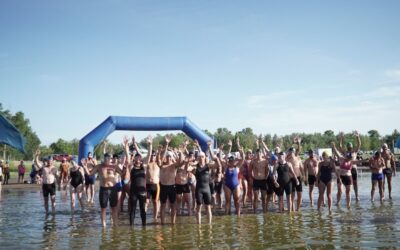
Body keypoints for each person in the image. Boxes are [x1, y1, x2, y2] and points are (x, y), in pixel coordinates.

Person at [81, 151, 126, 228]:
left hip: (113, 189)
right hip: (103, 190)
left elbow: (122, 174)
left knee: (114, 208)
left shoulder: (114, 166)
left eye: (109, 158)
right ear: (104, 158)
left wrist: (126, 167)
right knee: (103, 209)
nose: (107, 159)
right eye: (106, 157)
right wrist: (85, 166)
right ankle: (104, 227)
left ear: (110, 159)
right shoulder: (99, 166)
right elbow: (89, 174)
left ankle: (115, 224)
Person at [187, 140, 222, 224]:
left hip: (207, 190)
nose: (202, 158)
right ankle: (198, 225)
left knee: (208, 208)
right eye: (200, 157)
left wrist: (215, 156)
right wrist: (188, 162)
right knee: (198, 208)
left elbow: (218, 166)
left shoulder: (208, 166)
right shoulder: (195, 168)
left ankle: (209, 225)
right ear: (198, 158)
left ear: (205, 158)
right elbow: (187, 169)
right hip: (199, 190)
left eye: (203, 157)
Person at [123, 136, 149, 226]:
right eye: (136, 157)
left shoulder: (144, 167)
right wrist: (126, 145)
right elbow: (127, 155)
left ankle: (144, 226)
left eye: (139, 157)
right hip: (133, 191)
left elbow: (147, 155)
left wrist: (135, 144)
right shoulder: (131, 167)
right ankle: (131, 227)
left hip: (142, 192)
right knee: (132, 209)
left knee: (143, 210)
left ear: (141, 159)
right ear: (134, 159)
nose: (138, 158)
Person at [159, 136, 184, 225]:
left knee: (173, 206)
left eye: (170, 156)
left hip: (172, 187)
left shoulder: (174, 165)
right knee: (163, 205)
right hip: (163, 187)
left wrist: (180, 152)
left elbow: (181, 162)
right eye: (167, 156)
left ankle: (173, 223)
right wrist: (166, 144)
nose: (169, 158)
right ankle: (162, 223)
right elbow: (161, 158)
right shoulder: (162, 165)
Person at [332, 142, 361, 209]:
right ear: (346, 156)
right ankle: (338, 202)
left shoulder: (351, 161)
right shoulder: (342, 159)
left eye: (350, 157)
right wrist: (334, 147)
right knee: (340, 191)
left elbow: (359, 161)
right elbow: (337, 153)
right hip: (341, 177)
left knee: (348, 192)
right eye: (348, 157)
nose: (349, 158)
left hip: (348, 176)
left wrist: (365, 160)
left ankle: (348, 205)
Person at [221, 137, 244, 217]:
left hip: (236, 185)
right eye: (230, 160)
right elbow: (224, 158)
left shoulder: (237, 167)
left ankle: (238, 216)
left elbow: (243, 158)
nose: (231, 161)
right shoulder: (226, 166)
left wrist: (238, 145)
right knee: (227, 201)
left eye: (232, 160)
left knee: (237, 201)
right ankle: (226, 215)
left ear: (234, 161)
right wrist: (229, 147)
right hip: (227, 186)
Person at [338, 131, 361, 201]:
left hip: (353, 168)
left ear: (352, 147)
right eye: (348, 147)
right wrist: (341, 137)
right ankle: (348, 195)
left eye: (350, 147)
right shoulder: (345, 152)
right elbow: (340, 146)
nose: (349, 148)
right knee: (346, 183)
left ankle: (357, 195)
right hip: (347, 170)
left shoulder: (354, 152)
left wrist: (357, 136)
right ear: (347, 147)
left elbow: (359, 144)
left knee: (355, 182)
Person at [250, 138, 269, 213]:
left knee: (264, 197)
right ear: (256, 153)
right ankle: (255, 212)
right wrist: (252, 178)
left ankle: (264, 212)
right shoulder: (253, 162)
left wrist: (266, 176)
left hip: (263, 181)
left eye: (259, 153)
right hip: (256, 180)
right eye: (257, 153)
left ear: (261, 153)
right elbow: (250, 170)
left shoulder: (265, 161)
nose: (258, 154)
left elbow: (267, 170)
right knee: (256, 197)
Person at [286, 138, 304, 211]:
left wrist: (298, 143)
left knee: (299, 195)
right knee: (292, 196)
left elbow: (298, 150)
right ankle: (293, 209)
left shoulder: (298, 158)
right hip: (291, 179)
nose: (292, 153)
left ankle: (297, 209)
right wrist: (292, 144)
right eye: (291, 151)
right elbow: (286, 152)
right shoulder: (287, 158)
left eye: (293, 151)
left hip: (298, 177)